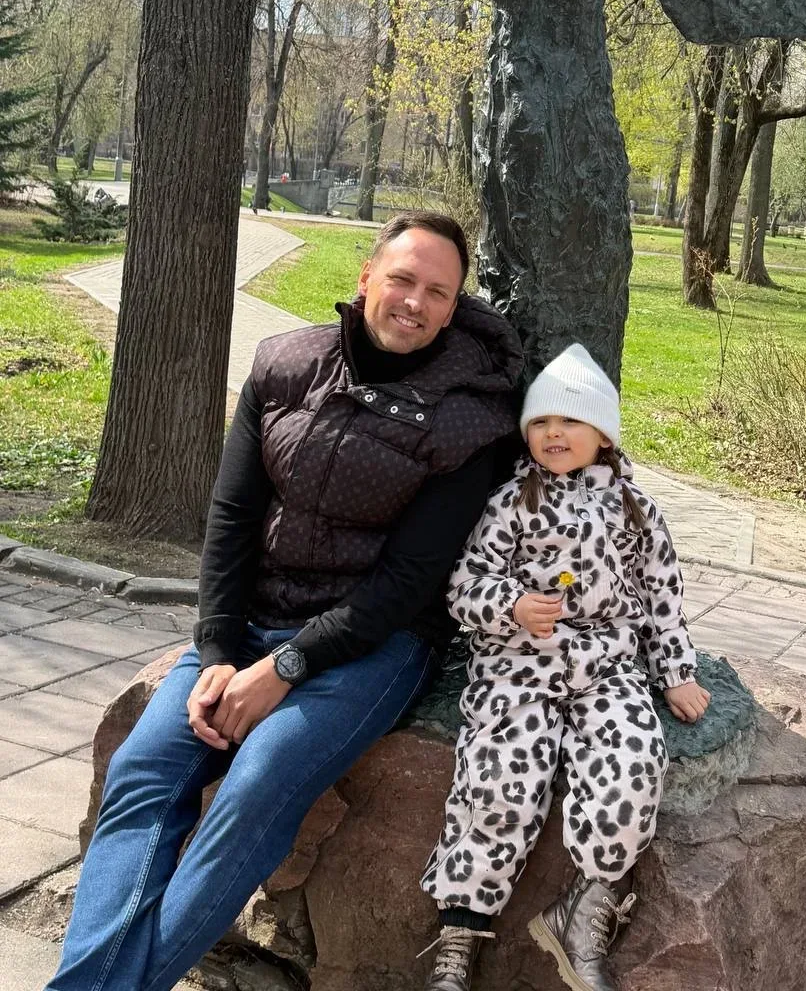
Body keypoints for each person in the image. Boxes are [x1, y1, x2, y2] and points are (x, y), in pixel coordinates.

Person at [47, 211, 523, 991]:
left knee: (257, 786)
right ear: (366, 278)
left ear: (453, 309)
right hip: (250, 625)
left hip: (375, 647)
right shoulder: (284, 363)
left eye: (437, 293)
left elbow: (406, 584)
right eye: (402, 279)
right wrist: (218, 651)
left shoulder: (471, 421)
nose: (414, 302)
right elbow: (232, 518)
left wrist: (285, 669)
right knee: (143, 770)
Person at [419, 343, 710, 991]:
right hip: (517, 667)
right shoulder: (512, 503)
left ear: (603, 434)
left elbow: (663, 598)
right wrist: (512, 605)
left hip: (608, 667)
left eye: (571, 420)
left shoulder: (636, 510)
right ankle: (460, 932)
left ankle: (584, 909)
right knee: (499, 778)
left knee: (634, 760)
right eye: (542, 422)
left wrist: (675, 671)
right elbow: (465, 584)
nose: (554, 432)